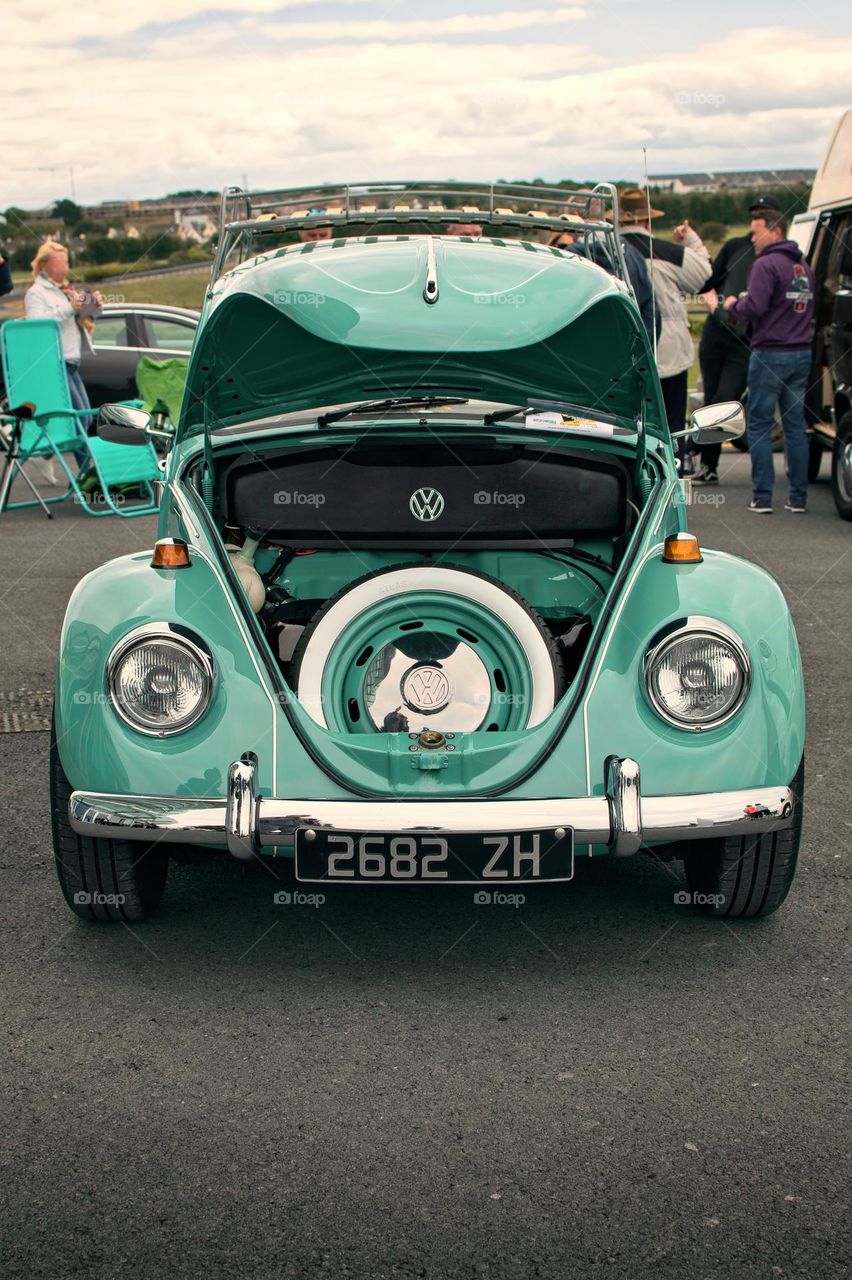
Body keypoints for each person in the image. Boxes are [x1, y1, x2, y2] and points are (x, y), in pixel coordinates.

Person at [724, 209, 815, 513]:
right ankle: (798, 498)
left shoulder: (765, 265)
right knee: (794, 426)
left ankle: (762, 496)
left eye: (756, 231)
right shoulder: (803, 266)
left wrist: (735, 303)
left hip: (770, 354)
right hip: (801, 353)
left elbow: (755, 307)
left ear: (775, 232)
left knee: (760, 424)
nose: (752, 238)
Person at [617, 189, 710, 474]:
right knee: (671, 425)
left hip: (623, 349)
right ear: (648, 222)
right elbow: (704, 275)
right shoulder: (669, 253)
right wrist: (691, 239)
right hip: (669, 350)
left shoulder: (608, 251)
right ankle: (673, 481)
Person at [693, 196, 783, 485]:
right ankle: (708, 466)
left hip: (745, 341)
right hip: (716, 333)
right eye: (754, 214)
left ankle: (705, 454)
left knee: (725, 399)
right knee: (709, 400)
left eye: (763, 215)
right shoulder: (735, 247)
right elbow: (709, 282)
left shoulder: (775, 258)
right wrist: (716, 306)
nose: (756, 220)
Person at [25, 241, 99, 437]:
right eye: (61, 262)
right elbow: (36, 324)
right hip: (56, 360)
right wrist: (69, 308)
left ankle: (76, 459)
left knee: (86, 417)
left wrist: (93, 306)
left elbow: (80, 318)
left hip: (72, 358)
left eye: (67, 261)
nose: (66, 266)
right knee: (79, 419)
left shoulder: (67, 289)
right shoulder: (36, 293)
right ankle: (85, 465)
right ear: (45, 265)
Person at [549, 224, 660, 343]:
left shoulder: (564, 262)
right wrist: (642, 348)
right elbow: (650, 308)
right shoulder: (634, 255)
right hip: (624, 348)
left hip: (579, 348)